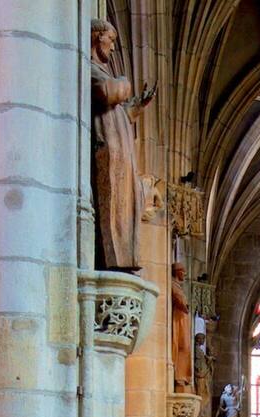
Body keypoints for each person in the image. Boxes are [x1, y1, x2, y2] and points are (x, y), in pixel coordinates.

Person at [89, 19, 153, 272]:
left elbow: (118, 113)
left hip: (120, 154)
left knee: (128, 202)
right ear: (97, 38)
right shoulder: (90, 68)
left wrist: (136, 108)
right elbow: (107, 92)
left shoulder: (102, 71)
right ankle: (114, 259)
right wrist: (125, 83)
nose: (113, 47)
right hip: (107, 152)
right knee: (113, 203)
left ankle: (125, 259)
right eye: (111, 40)